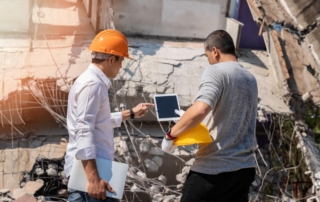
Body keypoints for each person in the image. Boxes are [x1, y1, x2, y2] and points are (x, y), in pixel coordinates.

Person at [161, 30, 258, 202]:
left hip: (214, 169)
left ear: (215, 51)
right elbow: (230, 116)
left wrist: (171, 135)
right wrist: (189, 119)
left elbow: (200, 109)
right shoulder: (250, 77)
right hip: (244, 170)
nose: (209, 60)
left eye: (207, 56)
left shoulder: (216, 71)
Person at [64, 29, 154, 202]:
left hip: (94, 171)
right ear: (112, 59)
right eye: (121, 61)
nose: (121, 67)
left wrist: (131, 113)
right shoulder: (93, 85)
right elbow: (84, 130)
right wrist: (93, 179)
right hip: (92, 175)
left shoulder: (92, 82)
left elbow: (99, 121)